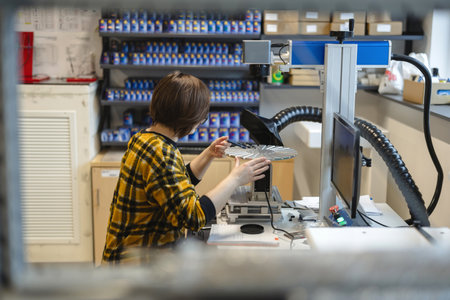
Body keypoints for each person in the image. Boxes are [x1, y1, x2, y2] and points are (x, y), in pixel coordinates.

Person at [102, 71, 270, 264]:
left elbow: (173, 188)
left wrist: (208, 154)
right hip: (138, 267)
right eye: (202, 118)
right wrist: (235, 179)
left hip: (125, 256)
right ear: (188, 117)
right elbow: (193, 217)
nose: (200, 123)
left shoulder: (145, 139)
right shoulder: (162, 153)